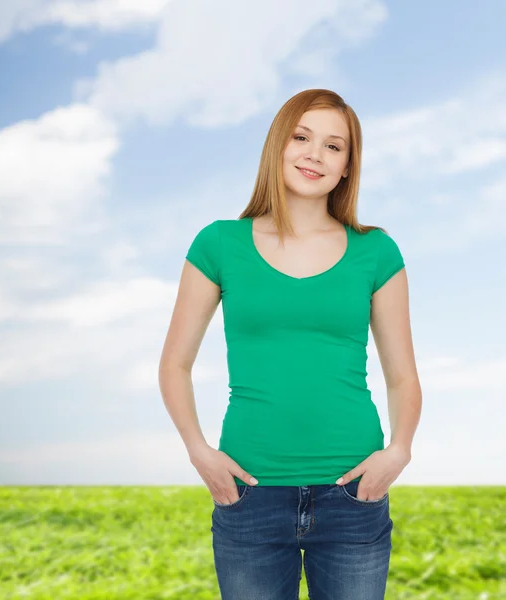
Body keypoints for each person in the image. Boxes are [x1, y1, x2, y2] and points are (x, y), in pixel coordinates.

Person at [158, 88, 422, 600]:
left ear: (347, 166)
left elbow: (402, 374)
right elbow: (175, 363)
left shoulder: (377, 251)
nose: (314, 155)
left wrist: (399, 450)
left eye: (334, 146)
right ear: (277, 146)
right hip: (249, 494)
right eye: (301, 137)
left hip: (353, 492)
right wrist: (198, 451)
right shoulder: (218, 244)